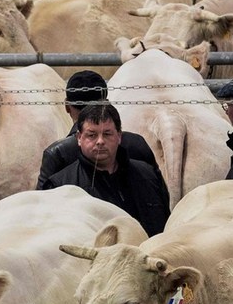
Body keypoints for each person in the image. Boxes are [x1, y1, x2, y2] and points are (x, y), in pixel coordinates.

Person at [43, 103, 170, 236]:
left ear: (119, 136)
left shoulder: (148, 175)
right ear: (79, 138)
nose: (100, 141)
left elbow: (167, 226)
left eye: (107, 134)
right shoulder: (60, 186)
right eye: (91, 135)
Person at [37, 70, 158, 189]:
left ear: (67, 107)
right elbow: (158, 191)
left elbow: (42, 201)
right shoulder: (137, 144)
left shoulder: (57, 154)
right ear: (107, 103)